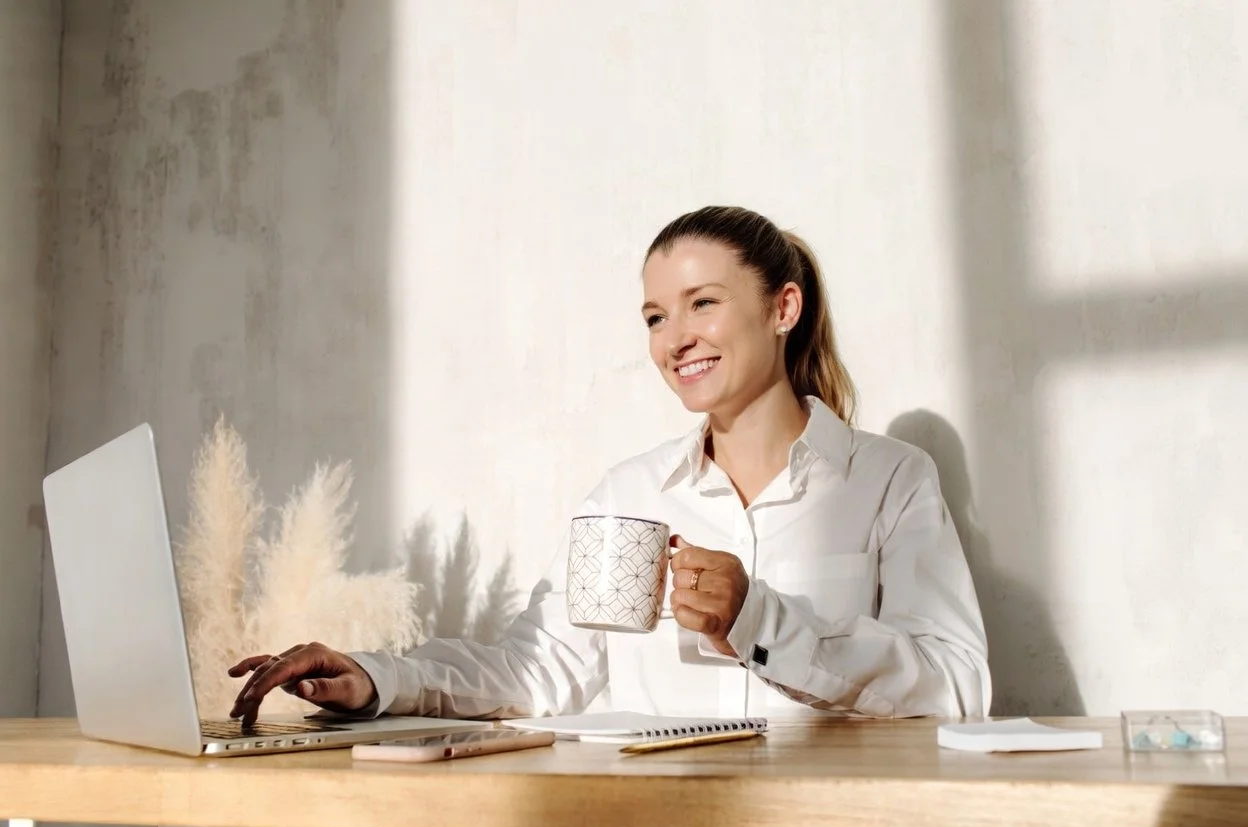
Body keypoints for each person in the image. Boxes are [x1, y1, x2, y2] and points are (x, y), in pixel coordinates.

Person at [229, 206, 991, 727]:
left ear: (783, 309)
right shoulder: (628, 495)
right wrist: (374, 678)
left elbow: (960, 690)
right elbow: (535, 670)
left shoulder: (891, 480)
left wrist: (758, 619)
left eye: (703, 304)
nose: (675, 339)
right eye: (657, 317)